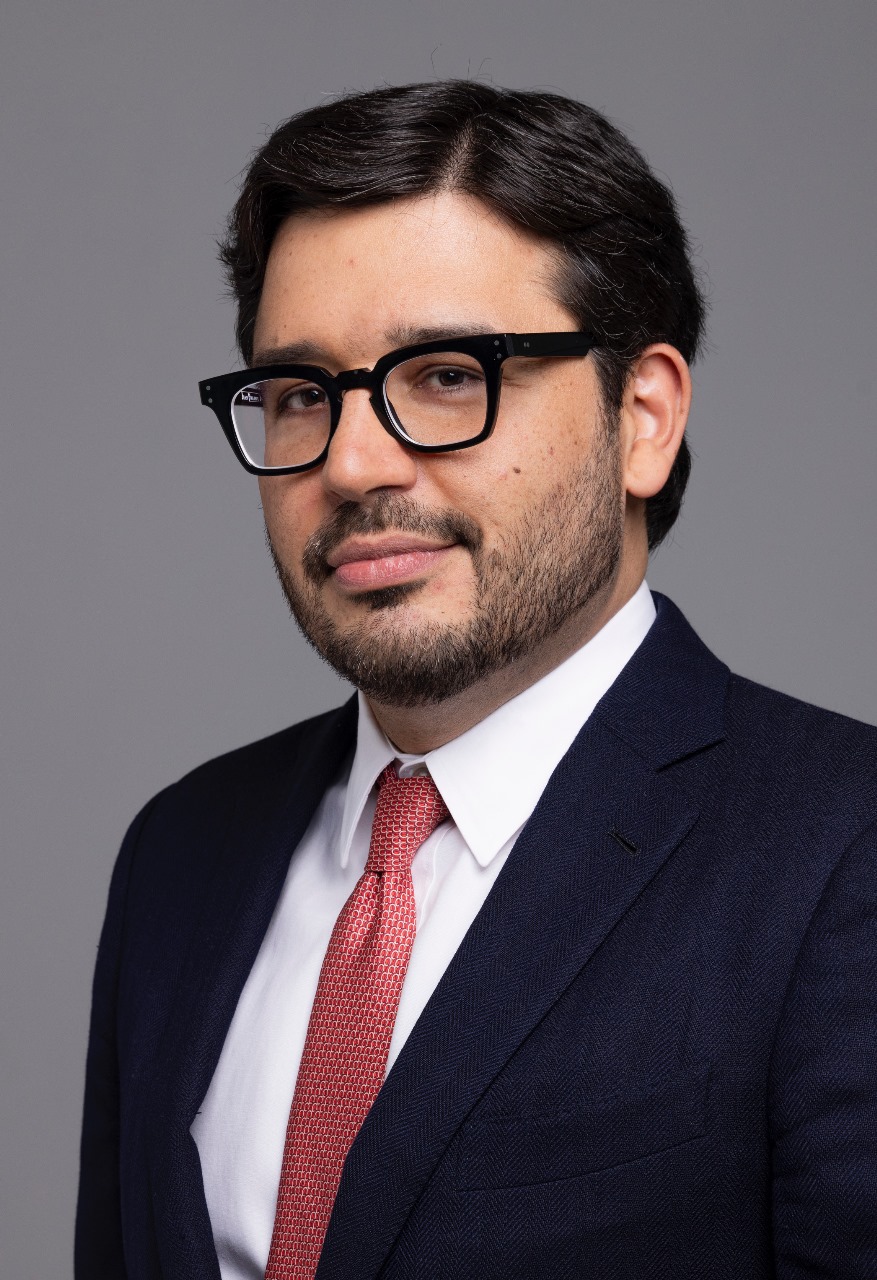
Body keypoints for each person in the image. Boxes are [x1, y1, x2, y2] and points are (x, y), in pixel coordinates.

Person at [75, 81, 877, 1279]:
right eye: (300, 394)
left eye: (447, 374)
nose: (353, 462)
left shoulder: (841, 850)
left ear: (642, 417)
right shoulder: (180, 851)